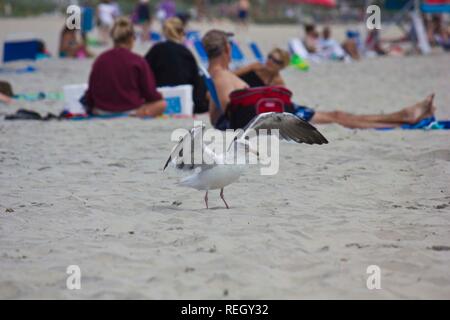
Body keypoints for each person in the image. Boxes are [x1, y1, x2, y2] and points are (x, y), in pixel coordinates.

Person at [201, 30, 436, 130]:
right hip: (277, 117)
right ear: (226, 49)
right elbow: (231, 117)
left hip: (275, 113)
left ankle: (403, 117)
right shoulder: (223, 77)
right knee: (338, 117)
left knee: (337, 115)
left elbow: (219, 115)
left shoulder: (218, 76)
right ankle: (403, 118)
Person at [83, 17, 166, 117]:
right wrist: (160, 96)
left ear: (113, 38)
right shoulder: (138, 61)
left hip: (102, 110)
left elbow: (91, 92)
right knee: (161, 104)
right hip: (131, 110)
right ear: (132, 39)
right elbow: (150, 94)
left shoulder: (100, 60)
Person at [144, 17, 208, 114]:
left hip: (158, 100)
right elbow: (196, 82)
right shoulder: (186, 53)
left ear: (164, 32)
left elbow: (144, 73)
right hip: (183, 99)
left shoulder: (155, 50)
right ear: (182, 33)